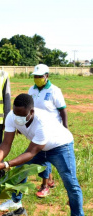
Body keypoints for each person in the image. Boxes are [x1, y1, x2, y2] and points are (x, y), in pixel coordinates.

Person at [0, 93, 85, 216]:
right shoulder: (12, 116)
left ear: (31, 112)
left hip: (60, 147)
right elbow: (6, 144)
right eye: (15, 112)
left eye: (22, 114)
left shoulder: (42, 122)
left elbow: (30, 152)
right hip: (40, 147)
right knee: (20, 170)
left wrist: (6, 164)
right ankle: (16, 201)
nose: (17, 117)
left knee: (70, 183)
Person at [29, 64, 68, 198]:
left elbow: (62, 110)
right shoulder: (31, 90)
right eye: (35, 76)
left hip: (51, 129)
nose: (37, 78)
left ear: (47, 76)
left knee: (43, 154)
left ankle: (45, 185)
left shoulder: (54, 90)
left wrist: (65, 128)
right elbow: (29, 109)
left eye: (40, 76)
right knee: (45, 154)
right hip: (36, 128)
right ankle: (50, 179)